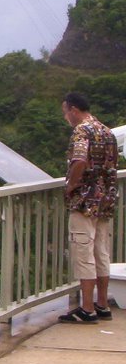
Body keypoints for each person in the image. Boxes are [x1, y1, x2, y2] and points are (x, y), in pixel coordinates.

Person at [58, 92, 119, 323]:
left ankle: (87, 308)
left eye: (65, 112)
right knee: (101, 252)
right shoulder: (106, 131)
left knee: (84, 253)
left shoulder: (82, 131)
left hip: (84, 202)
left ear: (74, 110)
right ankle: (102, 304)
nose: (66, 117)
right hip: (104, 201)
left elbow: (80, 160)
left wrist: (71, 185)